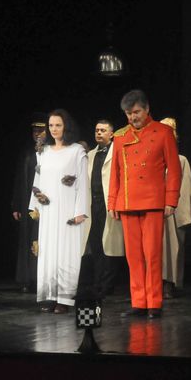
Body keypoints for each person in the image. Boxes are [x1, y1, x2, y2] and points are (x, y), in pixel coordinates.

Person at [108, 90, 181, 319]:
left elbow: (174, 170)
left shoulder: (163, 132)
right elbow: (115, 173)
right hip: (127, 202)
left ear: (147, 109)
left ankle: (154, 302)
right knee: (133, 257)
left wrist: (171, 200)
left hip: (152, 201)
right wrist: (112, 202)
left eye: (136, 112)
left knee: (152, 255)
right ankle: (139, 302)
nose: (133, 117)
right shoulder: (120, 136)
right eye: (128, 114)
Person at [29, 109, 89, 314]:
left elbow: (83, 182)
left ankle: (64, 298)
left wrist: (80, 211)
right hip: (48, 210)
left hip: (68, 211)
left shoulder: (76, 151)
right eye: (51, 125)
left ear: (66, 127)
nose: (54, 129)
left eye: (58, 125)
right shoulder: (43, 151)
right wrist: (35, 206)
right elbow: (37, 179)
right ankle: (49, 296)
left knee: (66, 253)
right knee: (48, 252)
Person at [159, 117, 191, 299]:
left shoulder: (180, 160)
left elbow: (185, 189)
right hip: (153, 208)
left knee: (172, 248)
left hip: (172, 210)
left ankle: (170, 283)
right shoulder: (151, 158)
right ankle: (154, 283)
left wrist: (179, 214)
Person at [81, 119, 121, 299]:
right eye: (97, 130)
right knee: (96, 244)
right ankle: (98, 283)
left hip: (109, 204)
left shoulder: (117, 152)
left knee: (110, 246)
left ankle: (107, 284)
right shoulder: (90, 155)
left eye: (103, 130)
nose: (99, 133)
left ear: (111, 134)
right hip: (93, 204)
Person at [11, 113, 47, 293]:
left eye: (41, 130)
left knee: (44, 239)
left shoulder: (52, 152)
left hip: (46, 202)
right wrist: (16, 205)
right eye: (34, 131)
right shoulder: (27, 152)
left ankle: (42, 278)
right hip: (28, 202)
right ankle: (27, 279)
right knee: (27, 240)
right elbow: (19, 178)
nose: (37, 133)